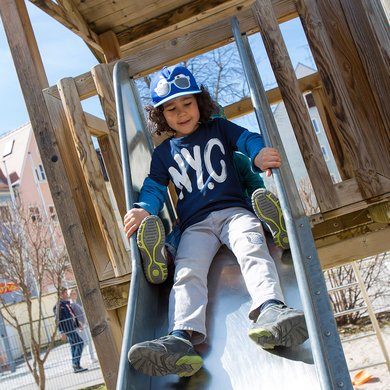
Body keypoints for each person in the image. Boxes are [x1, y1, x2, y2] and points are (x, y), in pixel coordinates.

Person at [123, 65, 308, 378]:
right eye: (171, 108)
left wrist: (258, 153)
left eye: (187, 104)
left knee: (252, 247)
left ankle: (271, 309)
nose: (181, 113)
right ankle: (181, 337)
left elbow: (246, 139)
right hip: (196, 225)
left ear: (200, 103)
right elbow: (154, 186)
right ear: (161, 115)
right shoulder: (164, 153)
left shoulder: (219, 129)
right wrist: (144, 209)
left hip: (235, 212)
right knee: (187, 271)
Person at [54, 287, 87, 373]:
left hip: (72, 327)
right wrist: (61, 332)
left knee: (73, 346)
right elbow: (57, 320)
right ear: (60, 295)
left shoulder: (66, 304)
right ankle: (75, 364)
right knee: (80, 343)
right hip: (67, 329)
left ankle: (76, 365)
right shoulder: (58, 306)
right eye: (64, 293)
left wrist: (78, 323)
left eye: (65, 293)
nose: (66, 294)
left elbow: (72, 316)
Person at [68, 289, 98, 365]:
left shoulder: (76, 304)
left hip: (84, 325)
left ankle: (91, 358)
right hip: (79, 326)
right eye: (73, 294)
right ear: (70, 295)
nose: (75, 295)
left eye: (75, 293)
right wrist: (79, 324)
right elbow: (73, 316)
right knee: (84, 342)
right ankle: (76, 356)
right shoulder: (71, 304)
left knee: (88, 341)